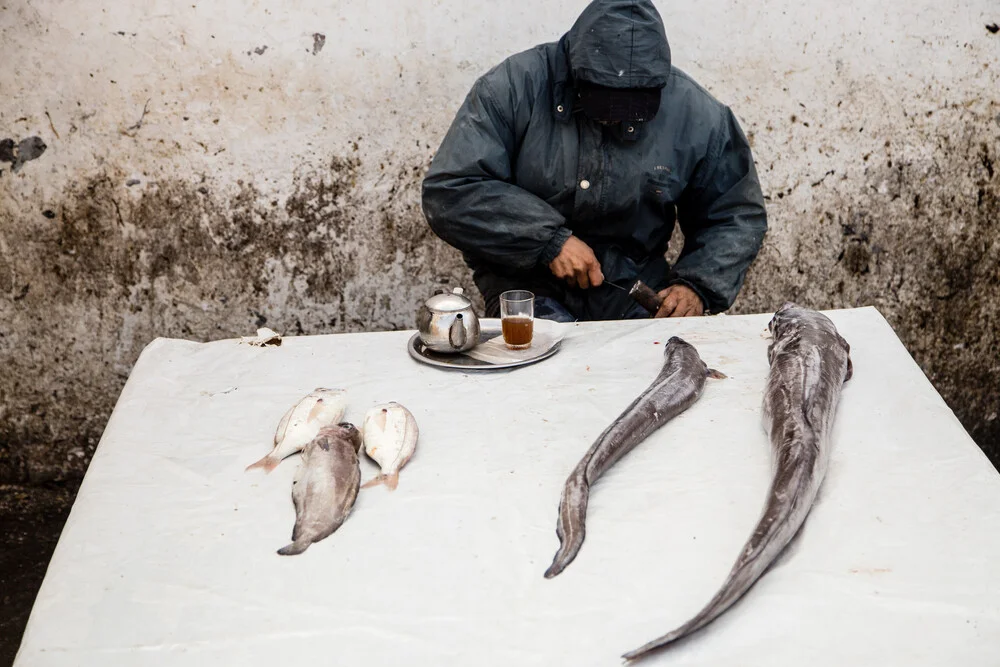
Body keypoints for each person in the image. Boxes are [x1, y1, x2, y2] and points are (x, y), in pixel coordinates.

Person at [421, 0, 767, 323]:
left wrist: (697, 287)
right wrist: (548, 240)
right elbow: (451, 190)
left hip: (634, 289)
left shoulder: (696, 114)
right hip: (528, 285)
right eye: (605, 104)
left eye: (629, 112)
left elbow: (734, 215)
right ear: (575, 71)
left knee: (656, 373)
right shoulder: (511, 88)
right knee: (546, 375)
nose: (615, 121)